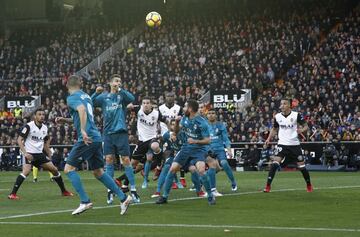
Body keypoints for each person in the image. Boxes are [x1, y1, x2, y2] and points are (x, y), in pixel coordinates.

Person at [55, 75, 132, 215]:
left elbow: (82, 111)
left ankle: (85, 201)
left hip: (87, 137)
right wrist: (66, 121)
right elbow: (81, 115)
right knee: (98, 172)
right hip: (96, 137)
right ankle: (123, 197)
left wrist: (83, 131)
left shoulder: (72, 98)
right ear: (80, 83)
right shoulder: (86, 96)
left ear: (67, 85)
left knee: (68, 169)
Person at [156, 99, 215, 205]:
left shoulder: (202, 123)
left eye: (185, 107)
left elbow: (208, 140)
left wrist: (195, 141)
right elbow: (177, 131)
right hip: (186, 148)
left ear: (191, 109)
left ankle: (210, 195)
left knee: (201, 170)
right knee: (172, 169)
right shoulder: (184, 118)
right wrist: (177, 122)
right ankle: (164, 197)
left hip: (198, 149)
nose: (183, 109)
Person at [91, 74, 140, 204]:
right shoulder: (103, 97)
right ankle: (110, 190)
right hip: (107, 133)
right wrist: (95, 93)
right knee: (109, 160)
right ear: (110, 83)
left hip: (121, 132)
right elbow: (91, 102)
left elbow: (132, 98)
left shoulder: (121, 96)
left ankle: (133, 190)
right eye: (116, 81)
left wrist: (121, 90)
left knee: (125, 160)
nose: (118, 83)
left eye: (120, 81)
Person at [8, 108, 73, 200]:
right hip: (30, 153)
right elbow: (19, 140)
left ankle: (64, 191)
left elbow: (45, 141)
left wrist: (49, 153)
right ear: (35, 116)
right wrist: (25, 153)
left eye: (43, 114)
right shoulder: (29, 126)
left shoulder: (45, 128)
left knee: (54, 170)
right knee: (26, 171)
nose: (42, 116)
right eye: (39, 114)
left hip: (39, 154)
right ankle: (12, 194)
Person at [263, 98, 313, 193]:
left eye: (284, 104)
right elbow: (274, 129)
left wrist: (301, 130)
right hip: (282, 144)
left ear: (289, 105)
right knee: (275, 163)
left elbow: (306, 126)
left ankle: (309, 185)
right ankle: (267, 186)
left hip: (294, 145)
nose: (282, 105)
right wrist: (268, 139)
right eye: (281, 104)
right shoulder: (277, 116)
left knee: (302, 167)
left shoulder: (296, 115)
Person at [116, 97, 167, 189]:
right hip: (142, 141)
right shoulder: (138, 110)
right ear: (142, 104)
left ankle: (159, 167)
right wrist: (129, 106)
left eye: (148, 103)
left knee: (155, 147)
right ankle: (125, 185)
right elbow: (126, 107)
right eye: (144, 103)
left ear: (151, 105)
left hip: (152, 138)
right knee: (132, 165)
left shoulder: (156, 114)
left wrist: (166, 132)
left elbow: (165, 121)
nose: (146, 105)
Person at [206, 108, 237, 197]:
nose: (211, 115)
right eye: (209, 113)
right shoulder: (204, 125)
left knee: (224, 163)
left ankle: (233, 182)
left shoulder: (221, 125)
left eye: (213, 113)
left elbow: (226, 139)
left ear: (216, 115)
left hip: (219, 149)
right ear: (207, 115)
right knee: (213, 167)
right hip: (209, 150)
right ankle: (205, 184)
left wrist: (229, 150)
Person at [159, 92, 186, 188]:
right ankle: (175, 181)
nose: (170, 98)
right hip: (164, 136)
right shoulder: (160, 108)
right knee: (167, 159)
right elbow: (157, 121)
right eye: (168, 96)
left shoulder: (179, 108)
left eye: (171, 96)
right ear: (165, 97)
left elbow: (181, 122)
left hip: (176, 135)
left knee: (177, 158)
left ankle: (179, 180)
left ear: (174, 98)